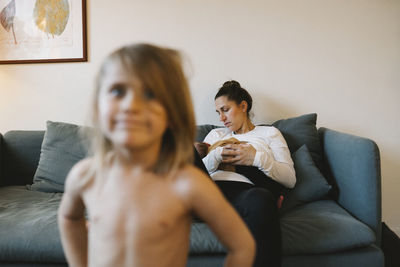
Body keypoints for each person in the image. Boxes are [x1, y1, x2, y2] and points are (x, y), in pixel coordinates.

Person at [58, 44, 255, 267]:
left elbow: (242, 246)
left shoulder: (188, 183)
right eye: (117, 91)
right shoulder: (85, 175)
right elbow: (68, 218)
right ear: (97, 105)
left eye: (150, 94)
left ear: (173, 114)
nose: (131, 105)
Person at [195, 80, 296, 267]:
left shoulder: (269, 133)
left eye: (225, 110)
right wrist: (217, 155)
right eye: (218, 112)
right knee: (184, 150)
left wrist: (255, 158)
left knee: (262, 198)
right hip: (207, 190)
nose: (221, 118)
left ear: (243, 106)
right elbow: (197, 172)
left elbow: (289, 179)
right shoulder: (215, 135)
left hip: (244, 193)